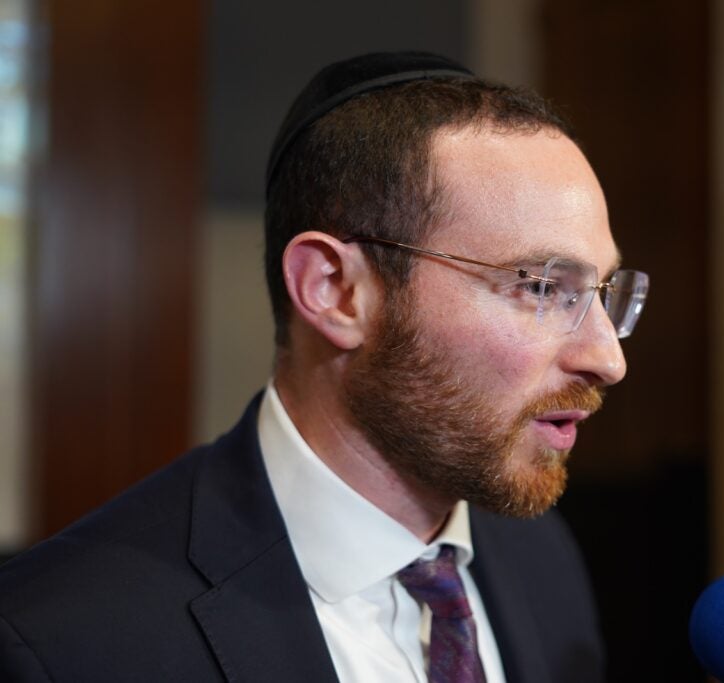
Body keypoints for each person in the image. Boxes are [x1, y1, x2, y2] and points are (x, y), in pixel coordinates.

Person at [0, 51, 649, 682]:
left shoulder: (542, 560)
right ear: (334, 289)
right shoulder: (65, 641)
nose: (607, 357)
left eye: (604, 291)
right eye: (540, 287)